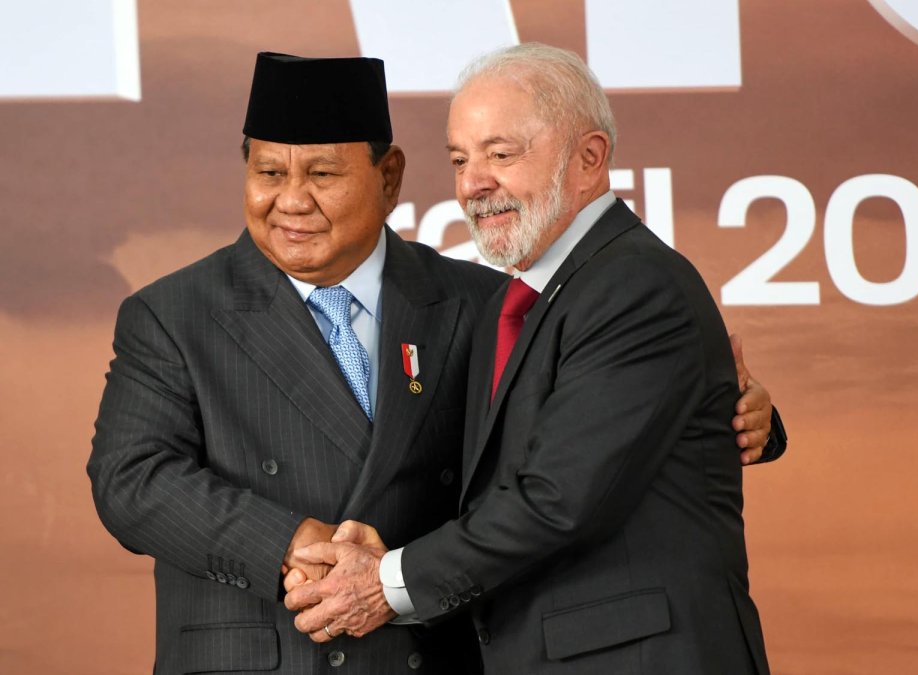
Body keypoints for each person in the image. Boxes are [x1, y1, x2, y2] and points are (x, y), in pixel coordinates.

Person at [88, 51, 783, 674]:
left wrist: (728, 411)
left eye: (322, 173)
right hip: (270, 651)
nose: (291, 200)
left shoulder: (481, 300)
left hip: (430, 652)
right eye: (268, 172)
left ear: (389, 178)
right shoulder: (171, 313)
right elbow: (130, 478)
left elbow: (560, 456)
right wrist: (291, 544)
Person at [285, 44, 772, 674]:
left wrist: (387, 581)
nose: (472, 184)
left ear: (589, 158)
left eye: (500, 154)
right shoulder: (509, 303)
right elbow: (488, 480)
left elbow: (557, 499)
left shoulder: (636, 287)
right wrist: (374, 546)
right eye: (460, 159)